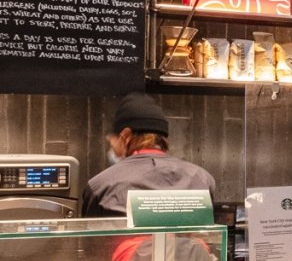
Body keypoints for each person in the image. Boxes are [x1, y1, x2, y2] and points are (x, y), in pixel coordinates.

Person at [84, 93, 217, 217]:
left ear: (125, 136)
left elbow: (92, 241)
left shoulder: (100, 186)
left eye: (113, 140)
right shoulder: (203, 179)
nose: (112, 147)